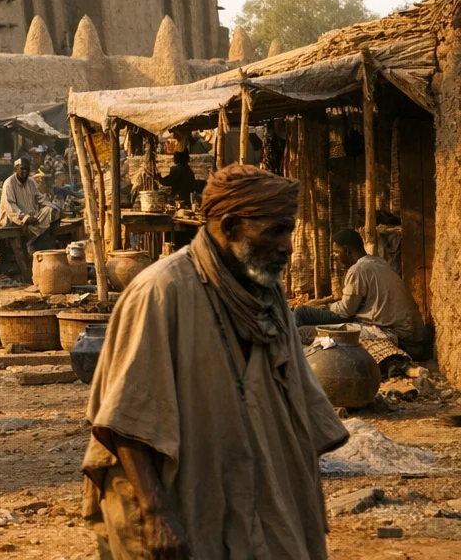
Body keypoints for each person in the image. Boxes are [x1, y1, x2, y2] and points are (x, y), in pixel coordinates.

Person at [82, 164, 348, 560]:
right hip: (176, 496)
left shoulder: (266, 295)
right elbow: (125, 419)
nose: (288, 246)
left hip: (256, 491)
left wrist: (303, 496)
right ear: (232, 226)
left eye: (289, 230)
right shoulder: (161, 291)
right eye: (274, 230)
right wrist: (156, 513)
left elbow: (297, 408)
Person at [294, 228, 426, 352]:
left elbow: (346, 311)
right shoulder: (378, 262)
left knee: (301, 332)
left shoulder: (358, 269)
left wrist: (329, 307)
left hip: (396, 335)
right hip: (411, 333)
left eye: (336, 252)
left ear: (346, 251)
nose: (334, 257)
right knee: (301, 312)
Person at [0, 156, 61, 249]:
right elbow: (10, 205)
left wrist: (55, 207)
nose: (25, 172)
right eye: (22, 169)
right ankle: (34, 243)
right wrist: (25, 218)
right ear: (16, 169)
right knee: (32, 225)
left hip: (32, 216)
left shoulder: (31, 182)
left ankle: (46, 241)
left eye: (27, 169)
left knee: (52, 211)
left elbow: (40, 198)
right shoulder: (9, 183)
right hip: (15, 219)